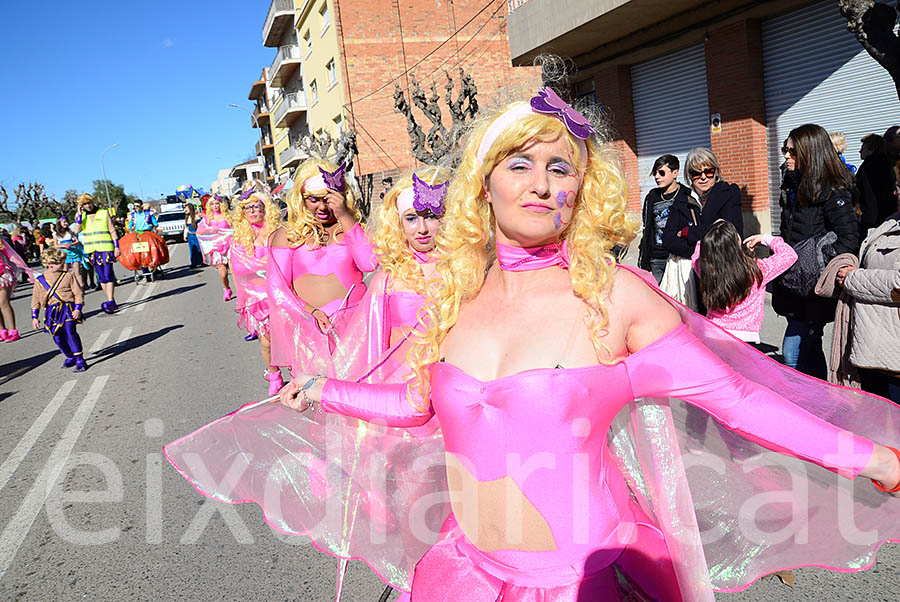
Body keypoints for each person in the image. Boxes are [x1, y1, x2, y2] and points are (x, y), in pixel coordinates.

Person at [273, 89, 900, 600]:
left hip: (579, 583)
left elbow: (741, 399)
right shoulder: (455, 295)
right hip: (462, 574)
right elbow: (418, 403)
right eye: (520, 164)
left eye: (560, 168)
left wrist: (877, 460)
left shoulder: (615, 299)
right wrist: (324, 389)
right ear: (484, 183)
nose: (542, 184)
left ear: (583, 189)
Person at [267, 158, 377, 377]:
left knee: (356, 397)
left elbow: (369, 263)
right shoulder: (288, 235)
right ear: (302, 199)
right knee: (318, 400)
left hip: (357, 329)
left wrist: (345, 216)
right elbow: (278, 290)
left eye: (328, 199)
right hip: (310, 330)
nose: (322, 207)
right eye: (314, 200)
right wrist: (312, 313)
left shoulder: (352, 228)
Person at [772, 124, 859, 378]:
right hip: (791, 286)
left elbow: (849, 238)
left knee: (792, 352)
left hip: (814, 288)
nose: (786, 156)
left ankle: (806, 405)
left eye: (793, 151)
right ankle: (821, 404)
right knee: (810, 351)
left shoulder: (833, 191)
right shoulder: (791, 186)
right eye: (784, 149)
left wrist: (817, 260)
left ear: (810, 153)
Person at [834, 160, 900, 403]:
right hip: (872, 348)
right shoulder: (891, 221)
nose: (895, 192)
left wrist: (853, 278)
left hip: (893, 354)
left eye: (899, 186)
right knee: (876, 426)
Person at [692, 220, 797, 345]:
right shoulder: (757, 270)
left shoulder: (706, 271)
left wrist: (712, 231)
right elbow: (789, 255)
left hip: (714, 333)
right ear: (737, 242)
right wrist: (766, 239)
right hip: (746, 337)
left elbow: (698, 252)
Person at [228, 183, 284, 394]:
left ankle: (298, 374)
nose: (252, 211)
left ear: (264, 207)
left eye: (256, 206)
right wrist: (242, 297)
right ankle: (274, 375)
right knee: (267, 342)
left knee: (289, 338)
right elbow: (238, 270)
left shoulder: (278, 232)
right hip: (258, 298)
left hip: (282, 294)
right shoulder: (240, 239)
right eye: (247, 208)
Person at [31, 247, 87, 372]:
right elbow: (35, 299)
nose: (63, 264)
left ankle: (80, 360)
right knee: (57, 337)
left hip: (68, 308)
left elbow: (78, 293)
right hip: (52, 312)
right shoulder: (40, 280)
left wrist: (78, 308)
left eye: (63, 261)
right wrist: (35, 317)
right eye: (59, 262)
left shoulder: (68, 276)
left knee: (70, 331)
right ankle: (70, 356)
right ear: (49, 264)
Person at [637, 155, 691, 283]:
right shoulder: (652, 196)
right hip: (656, 258)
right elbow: (648, 227)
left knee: (679, 298)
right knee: (659, 297)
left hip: (678, 257)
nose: (657, 177)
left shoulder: (686, 194)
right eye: (655, 173)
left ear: (675, 173)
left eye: (661, 173)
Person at [74, 193, 120, 313]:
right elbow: (76, 231)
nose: (88, 206)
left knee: (108, 274)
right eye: (84, 204)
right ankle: (111, 300)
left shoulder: (103, 213)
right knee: (102, 277)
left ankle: (110, 301)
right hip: (92, 251)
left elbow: (112, 230)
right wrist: (79, 215)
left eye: (89, 203)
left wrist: (116, 247)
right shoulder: (81, 216)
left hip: (106, 248)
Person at [196, 195, 233, 301]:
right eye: (212, 203)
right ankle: (227, 288)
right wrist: (211, 229)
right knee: (223, 273)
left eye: (217, 203)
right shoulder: (208, 218)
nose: (215, 206)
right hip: (217, 247)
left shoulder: (228, 216)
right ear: (209, 205)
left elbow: (235, 229)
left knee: (235, 271)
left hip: (230, 246)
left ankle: (241, 293)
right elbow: (200, 232)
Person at [856, 134, 896, 231]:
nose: (860, 151)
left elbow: (858, 189)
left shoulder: (867, 166)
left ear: (871, 149)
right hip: (889, 215)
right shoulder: (888, 164)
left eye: (863, 148)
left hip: (871, 218)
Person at [0, 237, 33, 341]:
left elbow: (13, 256)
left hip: (3, 275)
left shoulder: (1, 242)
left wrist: (26, 270)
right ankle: (2, 331)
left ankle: (13, 330)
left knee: (3, 302)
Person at [54, 216, 85, 289]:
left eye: (66, 222)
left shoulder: (70, 231)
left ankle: (81, 287)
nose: (66, 223)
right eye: (64, 222)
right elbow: (55, 245)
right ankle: (66, 287)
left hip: (73, 252)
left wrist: (71, 244)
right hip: (64, 253)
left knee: (77, 272)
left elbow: (77, 241)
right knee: (65, 271)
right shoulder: (56, 234)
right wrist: (62, 245)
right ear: (59, 223)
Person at [183, 203, 203, 268]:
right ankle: (193, 263)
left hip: (197, 235)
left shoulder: (196, 216)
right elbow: (186, 227)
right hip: (190, 235)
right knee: (192, 249)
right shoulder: (187, 217)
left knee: (199, 248)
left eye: (187, 208)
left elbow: (200, 225)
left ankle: (202, 261)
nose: (185, 210)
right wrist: (185, 235)